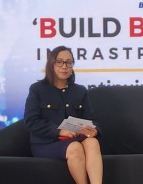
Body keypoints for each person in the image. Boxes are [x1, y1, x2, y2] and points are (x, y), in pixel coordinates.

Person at [24, 46, 103, 184]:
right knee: (75, 148)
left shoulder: (80, 90)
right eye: (59, 62)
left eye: (69, 62)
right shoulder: (37, 89)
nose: (64, 66)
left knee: (92, 142)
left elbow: (92, 120)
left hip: (75, 139)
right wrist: (59, 130)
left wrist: (94, 130)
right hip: (46, 143)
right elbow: (31, 121)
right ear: (51, 64)